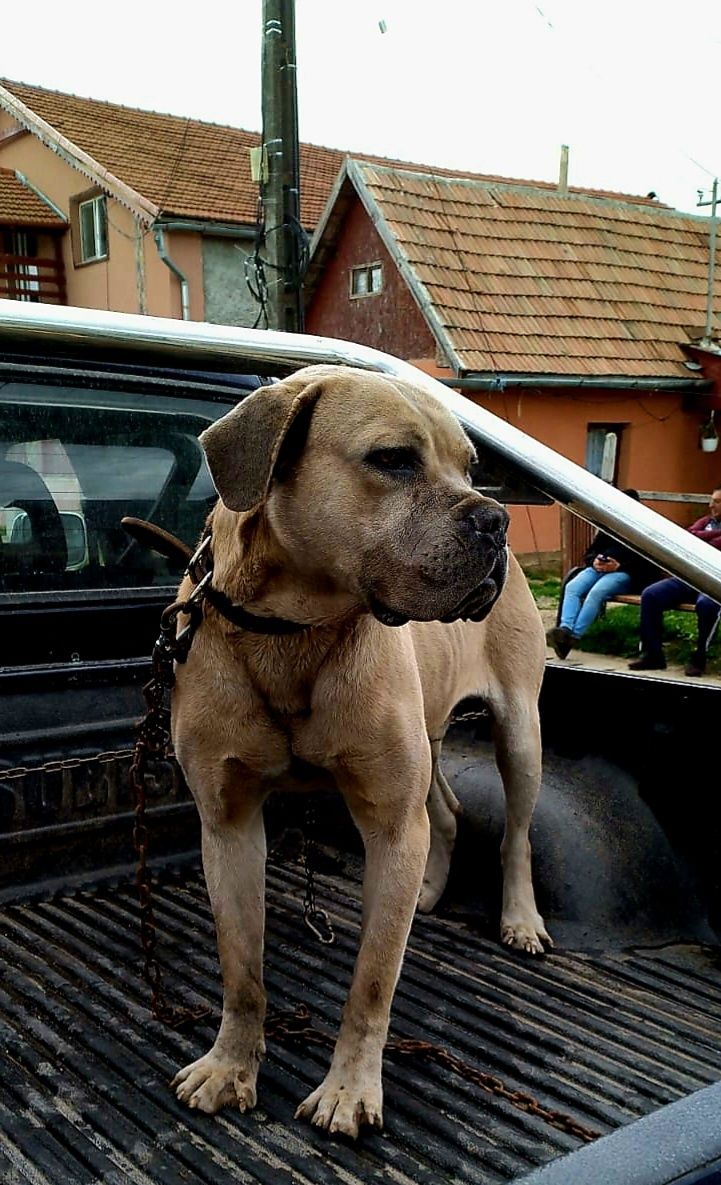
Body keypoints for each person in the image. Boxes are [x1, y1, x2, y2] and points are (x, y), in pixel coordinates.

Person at [547, 489, 658, 660]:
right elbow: (591, 552)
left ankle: (573, 637)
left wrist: (619, 566)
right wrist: (595, 561)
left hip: (625, 574)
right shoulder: (610, 526)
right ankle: (565, 629)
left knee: (596, 592)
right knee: (572, 587)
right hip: (599, 569)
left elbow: (648, 563)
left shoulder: (644, 531)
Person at [629, 487, 721, 677]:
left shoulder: (704, 526)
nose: (711, 505)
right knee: (651, 594)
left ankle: (699, 658)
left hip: (716, 582)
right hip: (690, 577)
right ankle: (653, 655)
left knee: (706, 605)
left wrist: (700, 538)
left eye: (717, 501)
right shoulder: (706, 522)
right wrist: (706, 537)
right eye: (712, 500)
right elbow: (688, 536)